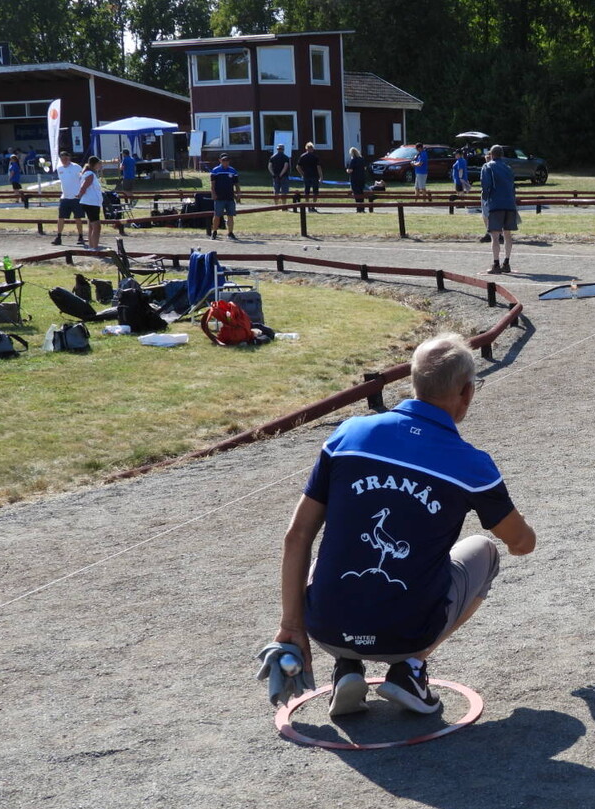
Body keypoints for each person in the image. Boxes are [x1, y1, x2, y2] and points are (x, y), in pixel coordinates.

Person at [274, 333, 536, 716]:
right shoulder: (472, 464)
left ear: (413, 383)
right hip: (408, 634)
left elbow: (297, 535)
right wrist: (517, 523)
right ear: (467, 393)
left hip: (325, 629)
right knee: (486, 551)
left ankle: (347, 665)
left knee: (329, 555)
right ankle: (410, 669)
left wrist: (292, 626)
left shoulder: (348, 434)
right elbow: (522, 544)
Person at [480, 145, 517, 274]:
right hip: (510, 203)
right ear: (502, 155)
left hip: (495, 204)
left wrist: (485, 200)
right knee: (507, 234)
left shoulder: (487, 166)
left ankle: (496, 264)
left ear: (491, 154)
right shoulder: (508, 168)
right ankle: (506, 263)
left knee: (495, 236)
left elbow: (486, 185)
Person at [51, 150, 85, 246]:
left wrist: (81, 193)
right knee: (61, 217)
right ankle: (58, 236)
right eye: (62, 159)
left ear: (69, 158)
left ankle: (81, 236)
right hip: (65, 197)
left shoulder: (76, 167)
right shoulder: (59, 168)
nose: (64, 161)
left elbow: (82, 179)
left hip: (76, 197)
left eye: (66, 158)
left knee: (78, 218)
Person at [208, 153, 242, 241]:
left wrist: (238, 194)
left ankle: (230, 233)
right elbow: (212, 184)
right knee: (217, 215)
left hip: (230, 197)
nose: (225, 162)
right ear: (220, 160)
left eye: (227, 160)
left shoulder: (233, 171)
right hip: (219, 197)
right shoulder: (215, 170)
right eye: (223, 160)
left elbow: (236, 184)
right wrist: (213, 193)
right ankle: (214, 232)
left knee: (230, 216)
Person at [74, 156, 105, 251]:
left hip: (90, 202)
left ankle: (91, 246)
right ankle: (95, 247)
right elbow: (84, 186)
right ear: (94, 164)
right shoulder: (90, 174)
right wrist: (80, 194)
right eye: (99, 164)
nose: (100, 165)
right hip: (91, 202)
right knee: (96, 226)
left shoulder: (87, 173)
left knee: (91, 225)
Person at [297, 142, 320, 210]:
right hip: (314, 175)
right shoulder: (315, 157)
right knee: (315, 191)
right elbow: (318, 167)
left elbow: (298, 167)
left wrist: (302, 174)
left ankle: (308, 205)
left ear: (306, 148)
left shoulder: (302, 156)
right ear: (312, 148)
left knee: (307, 191)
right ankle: (313, 205)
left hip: (306, 176)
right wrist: (321, 176)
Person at [347, 147, 368, 213]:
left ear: (352, 153)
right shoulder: (362, 159)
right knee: (361, 194)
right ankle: (362, 209)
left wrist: (347, 170)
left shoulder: (353, 160)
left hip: (355, 179)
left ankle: (358, 209)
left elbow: (350, 170)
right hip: (362, 179)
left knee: (356, 194)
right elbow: (365, 168)